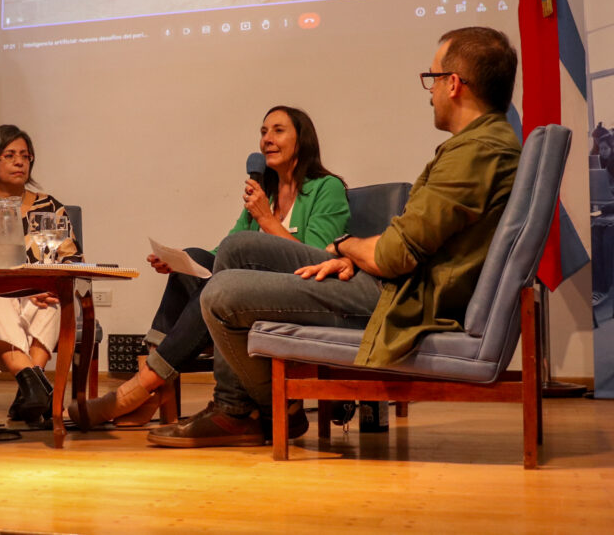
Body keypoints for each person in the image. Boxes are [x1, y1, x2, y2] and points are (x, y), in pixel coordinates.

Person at [148, 26, 521, 448]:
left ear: (453, 84)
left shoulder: (477, 153)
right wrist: (358, 256)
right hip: (394, 281)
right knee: (234, 249)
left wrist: (346, 248)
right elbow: (409, 241)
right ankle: (239, 407)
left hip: (400, 297)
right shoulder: (475, 146)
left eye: (431, 78)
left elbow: (395, 254)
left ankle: (245, 410)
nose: (429, 90)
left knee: (219, 293)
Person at [69, 106, 349, 428]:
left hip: (296, 292)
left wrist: (266, 219)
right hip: (245, 287)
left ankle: (140, 388)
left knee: (219, 284)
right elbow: (228, 249)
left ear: (303, 141)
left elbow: (317, 259)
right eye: (263, 132)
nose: (267, 139)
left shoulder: (327, 189)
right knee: (196, 263)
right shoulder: (265, 193)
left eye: (278, 130)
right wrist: (180, 262)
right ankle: (153, 389)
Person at [0, 124, 83, 426]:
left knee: (55, 300)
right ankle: (38, 388)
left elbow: (72, 260)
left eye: (25, 156)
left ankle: (31, 388)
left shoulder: (50, 208)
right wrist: (20, 289)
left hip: (42, 295)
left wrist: (38, 287)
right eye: (9, 155)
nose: (19, 162)